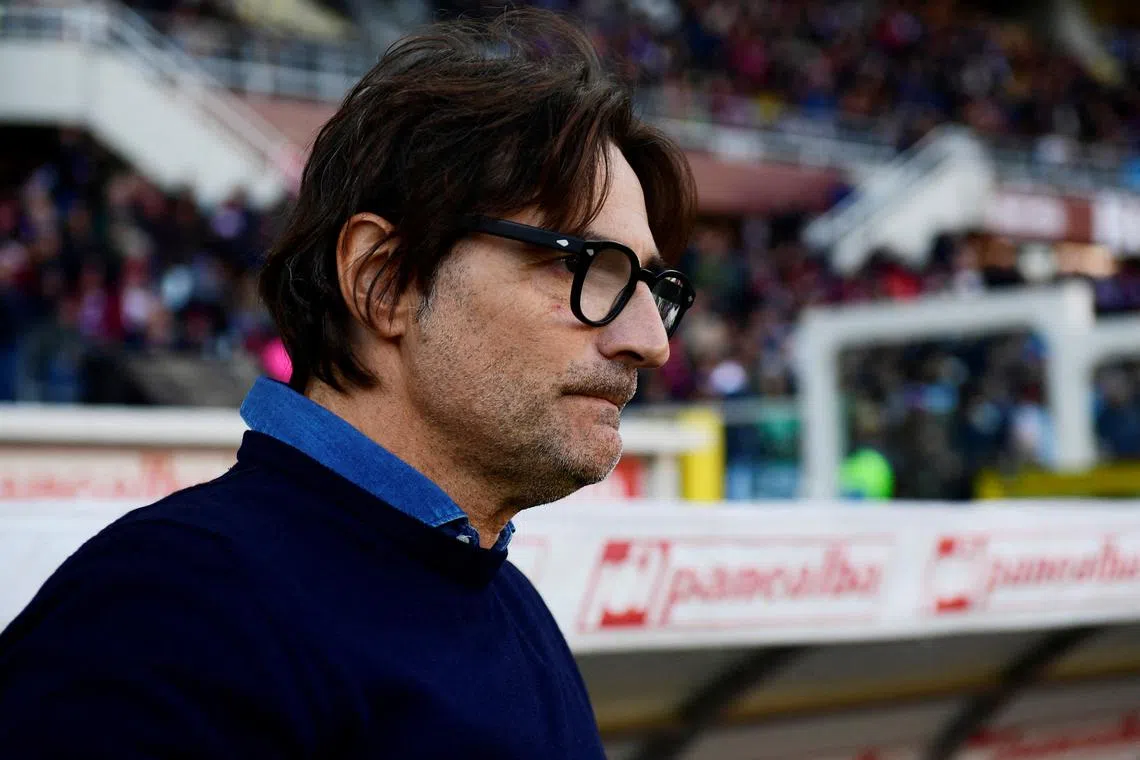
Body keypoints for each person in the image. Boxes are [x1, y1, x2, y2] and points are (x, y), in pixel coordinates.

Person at [0, 9, 697, 759]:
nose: (650, 343)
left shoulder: (509, 606)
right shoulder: (166, 617)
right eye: (583, 264)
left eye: (652, 287)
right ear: (382, 280)